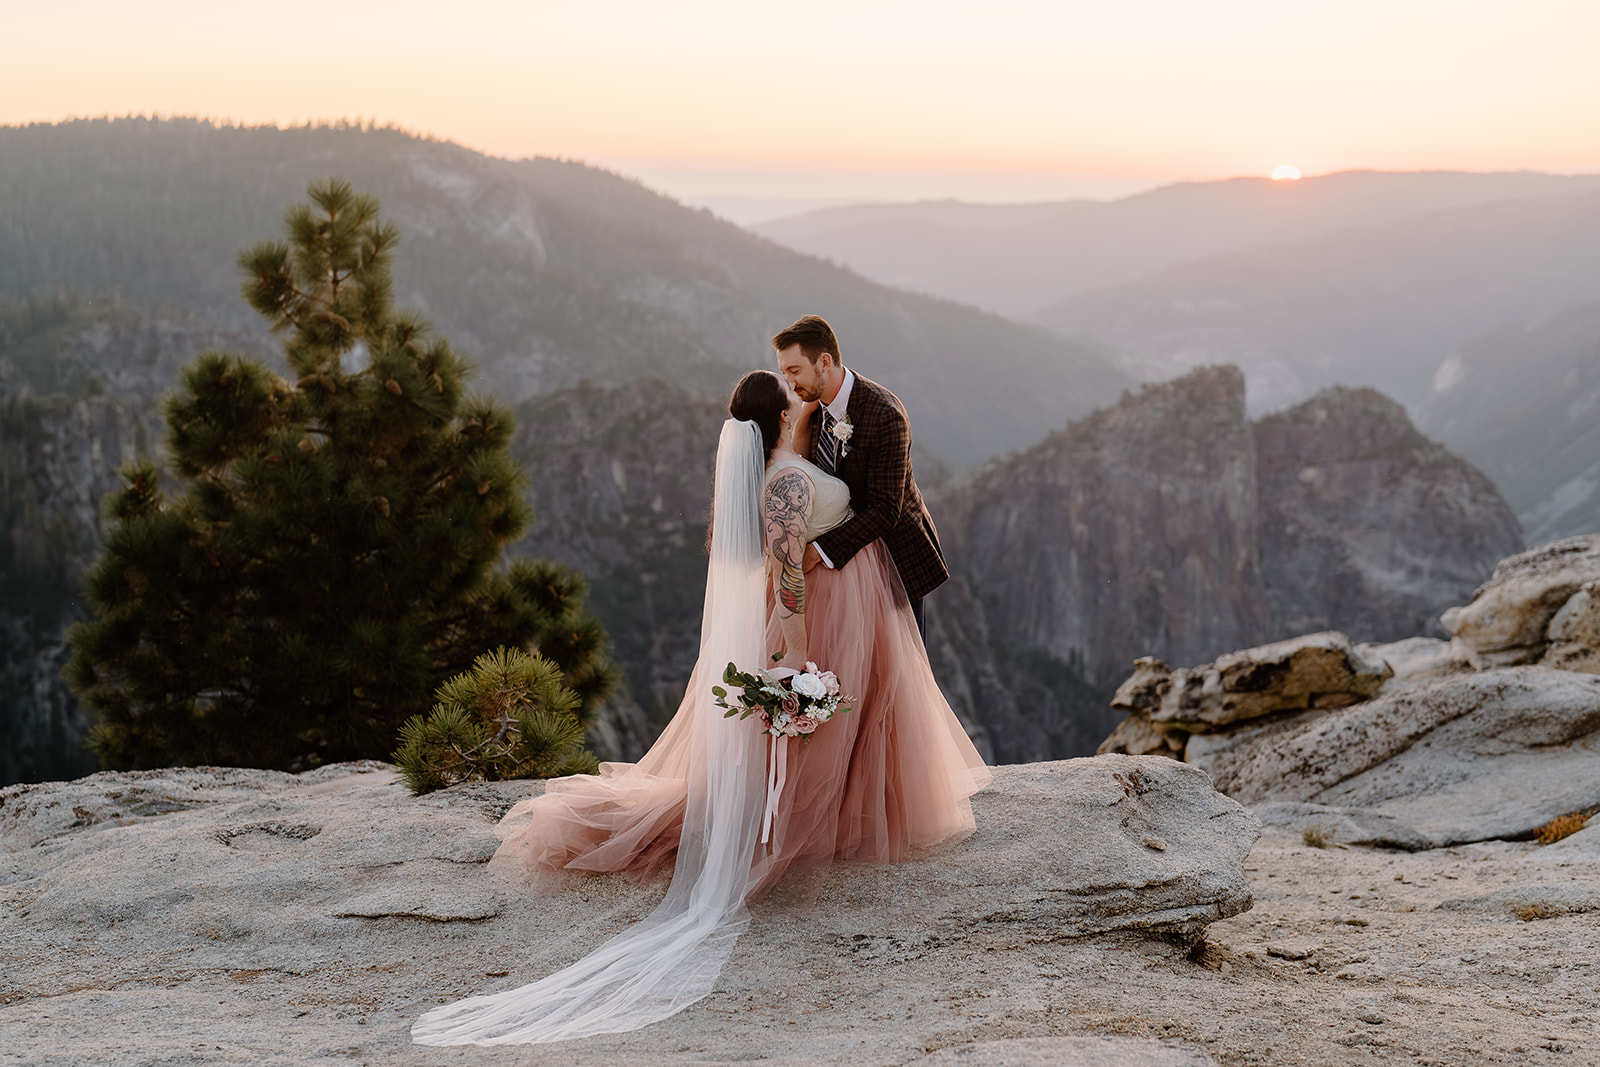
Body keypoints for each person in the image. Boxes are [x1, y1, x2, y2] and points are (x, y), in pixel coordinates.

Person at [411, 368, 988, 1048]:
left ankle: (827, 813)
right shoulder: (788, 482)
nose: (803, 402)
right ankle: (802, 824)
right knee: (812, 736)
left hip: (843, 614)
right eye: (792, 398)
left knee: (839, 732)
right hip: (813, 627)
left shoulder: (780, 468)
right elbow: (789, 577)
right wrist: (799, 661)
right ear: (777, 421)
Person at [771, 314, 946, 639]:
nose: (790, 384)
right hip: (846, 571)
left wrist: (816, 552)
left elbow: (885, 509)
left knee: (897, 675)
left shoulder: (884, 414)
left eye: (795, 371)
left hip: (894, 562)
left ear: (824, 361)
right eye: (784, 373)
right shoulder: (811, 408)